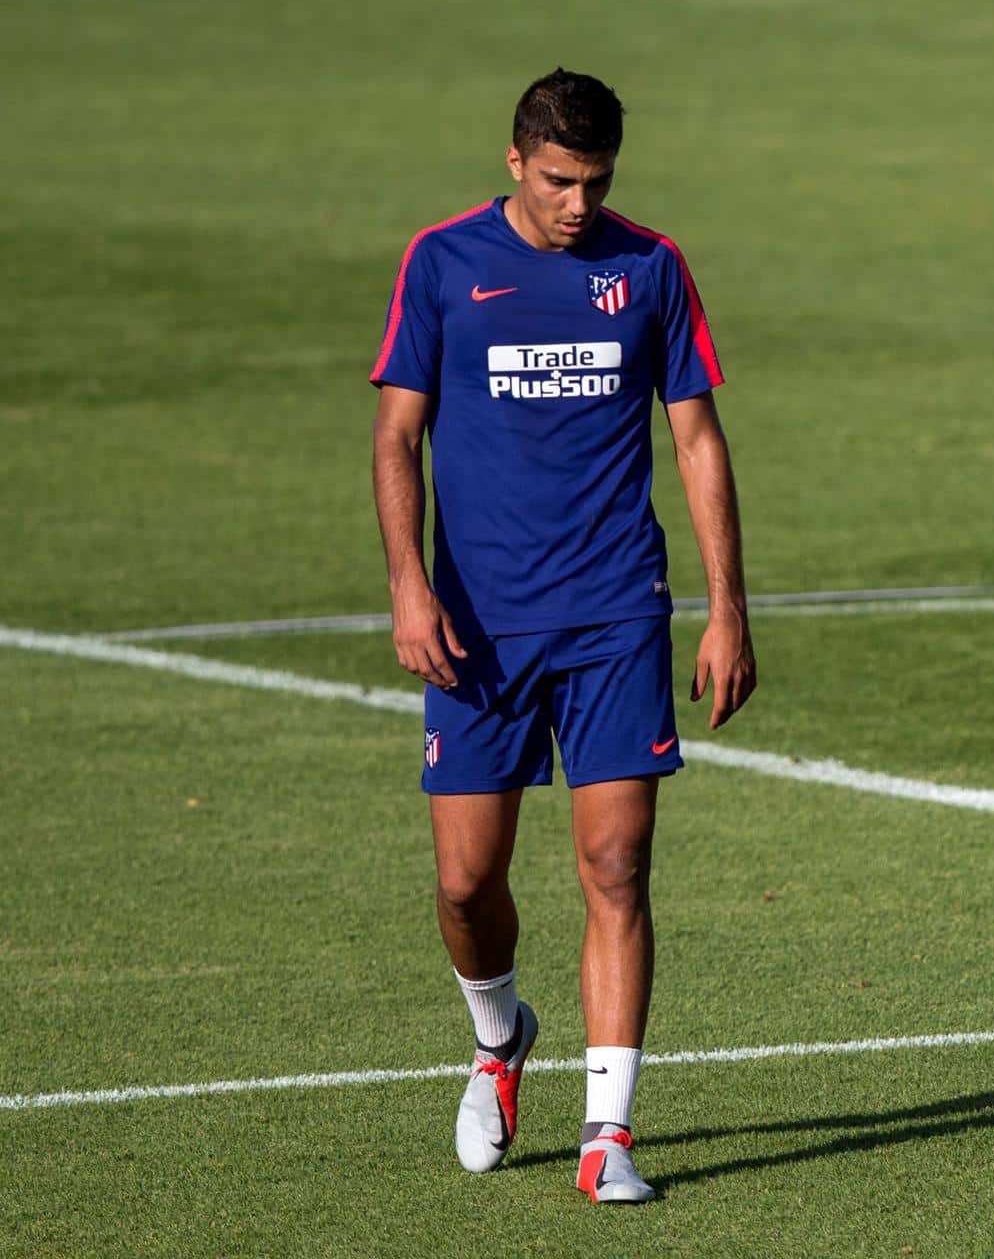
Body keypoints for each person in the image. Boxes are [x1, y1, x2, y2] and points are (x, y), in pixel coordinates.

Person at [369, 68, 755, 1202]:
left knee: (616, 866)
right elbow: (397, 436)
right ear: (515, 161)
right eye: (557, 180)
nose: (578, 204)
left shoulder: (650, 267)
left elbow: (696, 439)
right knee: (464, 880)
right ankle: (499, 1037)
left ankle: (608, 1133)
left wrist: (728, 603)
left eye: (595, 181)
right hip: (477, 628)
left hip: (614, 615)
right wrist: (406, 584)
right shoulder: (442, 263)